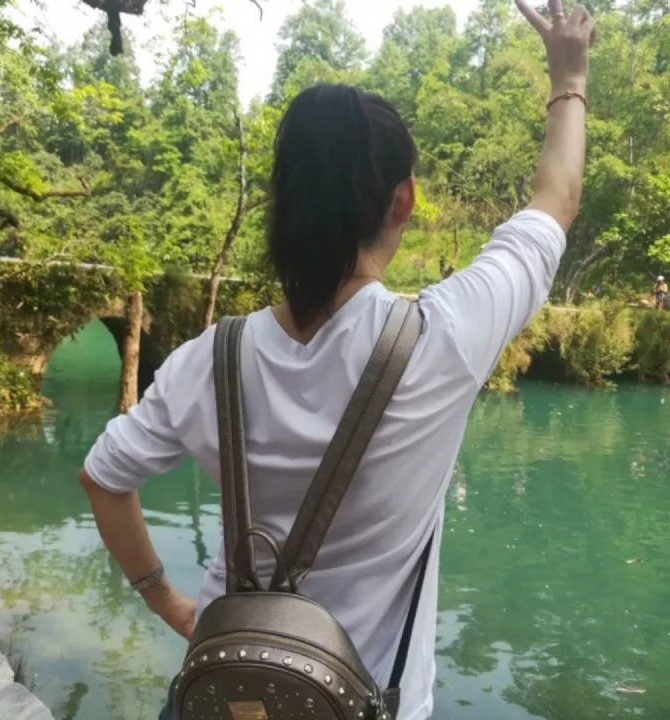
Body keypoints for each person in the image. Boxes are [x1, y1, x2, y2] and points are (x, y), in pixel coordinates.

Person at [78, 1, 595, 718]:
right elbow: (557, 198)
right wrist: (569, 77)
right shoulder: (445, 339)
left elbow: (103, 477)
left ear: (279, 204)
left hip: (226, 696)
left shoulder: (209, 359)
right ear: (402, 202)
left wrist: (165, 599)